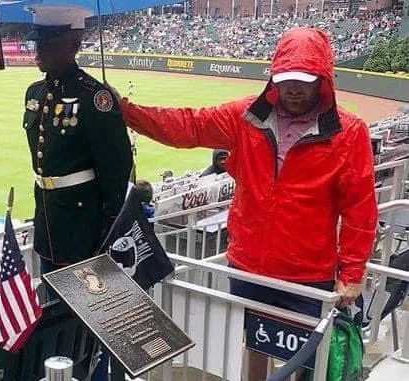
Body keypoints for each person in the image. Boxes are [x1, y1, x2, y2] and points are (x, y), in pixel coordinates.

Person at [108, 27, 377, 381]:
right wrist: (125, 112)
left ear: (322, 80)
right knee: (255, 346)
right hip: (248, 265)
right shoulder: (245, 117)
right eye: (285, 78)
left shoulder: (349, 133)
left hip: (307, 276)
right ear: (273, 77)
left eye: (304, 79)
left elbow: (360, 209)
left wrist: (353, 274)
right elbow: (187, 126)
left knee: (309, 360)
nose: (294, 88)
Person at [21, 6, 132, 381]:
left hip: (84, 230)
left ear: (72, 44)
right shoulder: (34, 92)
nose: (37, 51)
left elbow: (117, 171)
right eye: (37, 42)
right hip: (50, 222)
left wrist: (105, 233)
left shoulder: (94, 97)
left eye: (46, 43)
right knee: (56, 315)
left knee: (95, 314)